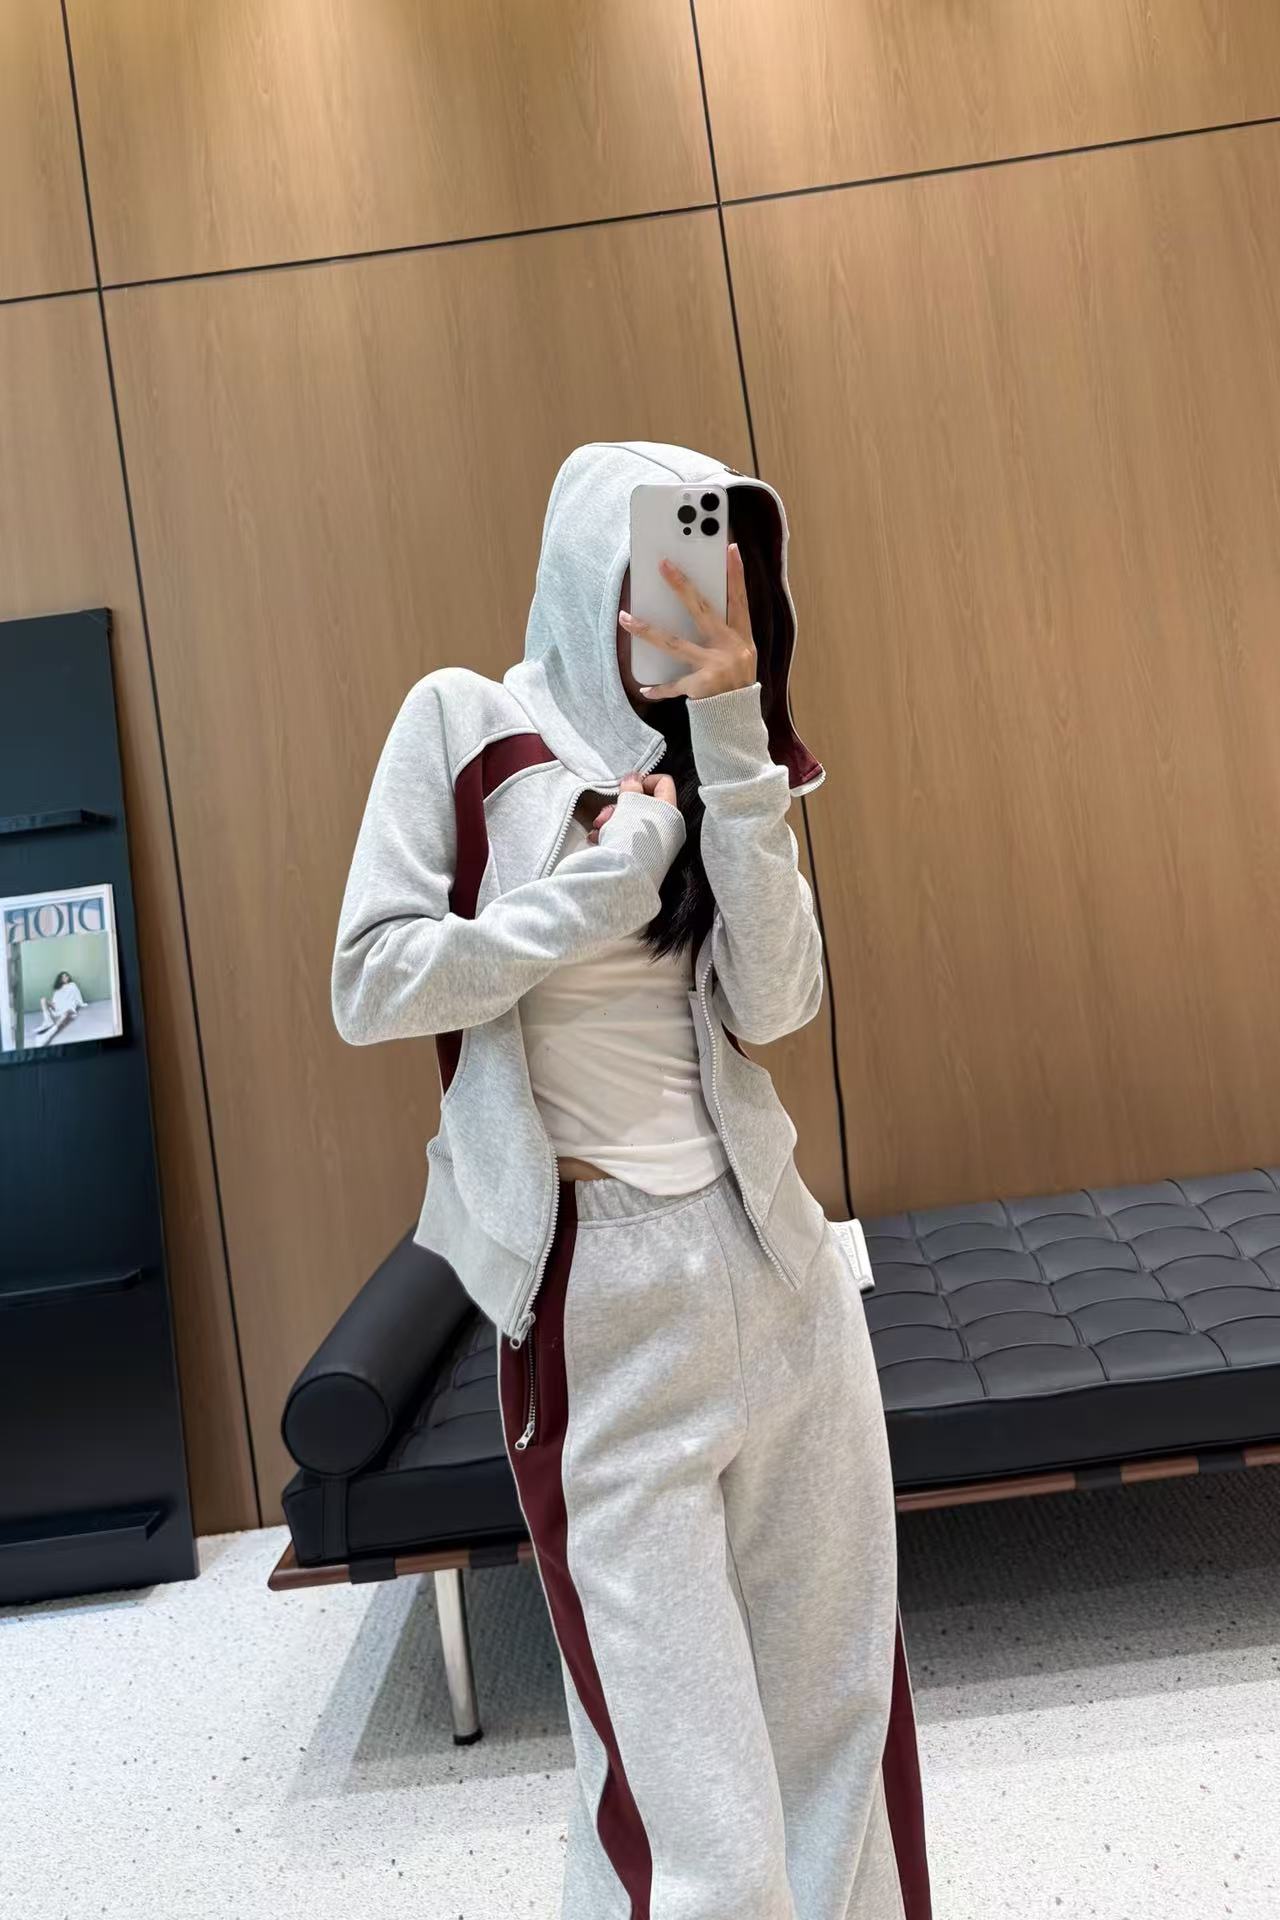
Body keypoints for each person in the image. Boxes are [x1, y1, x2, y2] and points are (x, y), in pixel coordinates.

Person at [333, 441, 931, 1919]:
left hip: (777, 1264)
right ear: (589, 569)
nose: (691, 595)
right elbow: (370, 982)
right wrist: (598, 889)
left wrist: (733, 740)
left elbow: (776, 1001)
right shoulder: (464, 720)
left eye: (722, 570)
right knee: (687, 1811)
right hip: (598, 1298)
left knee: (839, 1737)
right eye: (662, 562)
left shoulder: (711, 757)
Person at [35, 970, 85, 1039]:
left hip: (68, 1006)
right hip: (57, 1006)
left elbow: (77, 995)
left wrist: (81, 1004)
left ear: (68, 977)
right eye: (63, 977)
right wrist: (51, 1005)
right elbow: (55, 1000)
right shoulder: (58, 988)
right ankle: (48, 1021)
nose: (65, 978)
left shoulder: (72, 985)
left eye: (66, 976)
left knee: (66, 1013)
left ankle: (49, 1033)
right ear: (60, 979)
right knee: (43, 999)